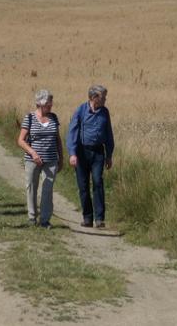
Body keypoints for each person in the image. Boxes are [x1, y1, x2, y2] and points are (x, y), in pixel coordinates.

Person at [66, 84, 114, 228]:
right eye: (103, 96)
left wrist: (109, 154)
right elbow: (72, 132)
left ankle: (99, 219)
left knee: (98, 182)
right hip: (81, 152)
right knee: (83, 186)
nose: (105, 99)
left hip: (98, 152)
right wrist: (72, 153)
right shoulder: (80, 111)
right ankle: (87, 218)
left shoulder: (105, 112)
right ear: (94, 97)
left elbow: (109, 134)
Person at [17, 90, 63, 229]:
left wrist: (61, 158)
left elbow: (57, 139)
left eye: (51, 102)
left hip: (51, 160)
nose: (51, 105)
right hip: (32, 160)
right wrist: (33, 153)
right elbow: (20, 140)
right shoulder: (29, 118)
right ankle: (32, 216)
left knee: (48, 189)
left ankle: (45, 219)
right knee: (31, 186)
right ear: (41, 103)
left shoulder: (54, 117)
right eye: (49, 102)